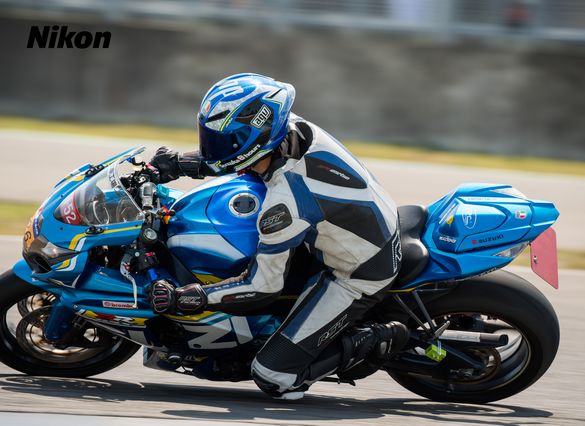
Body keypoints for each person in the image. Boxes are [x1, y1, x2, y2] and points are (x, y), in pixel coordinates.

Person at [147, 73, 408, 400]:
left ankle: (378, 339)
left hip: (358, 272)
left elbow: (262, 287)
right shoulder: (290, 128)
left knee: (273, 375)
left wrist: (193, 297)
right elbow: (239, 157)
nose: (211, 147)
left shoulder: (284, 205)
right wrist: (177, 164)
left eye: (221, 140)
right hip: (351, 224)